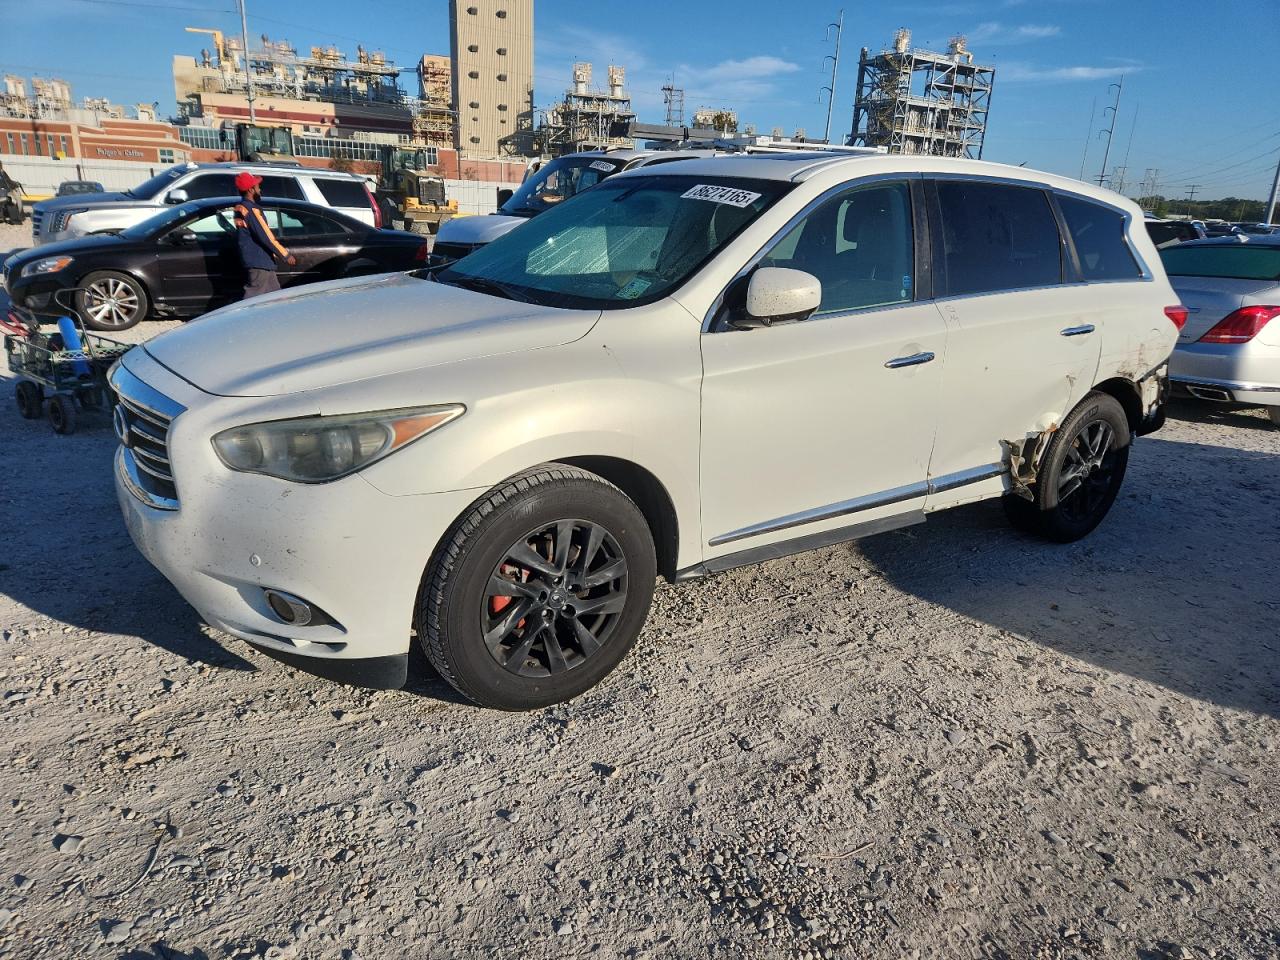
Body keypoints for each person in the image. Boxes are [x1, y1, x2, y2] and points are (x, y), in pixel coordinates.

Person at [233, 172, 296, 299]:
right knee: (252, 297)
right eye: (257, 187)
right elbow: (265, 236)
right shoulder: (252, 210)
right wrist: (285, 254)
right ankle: (244, 318)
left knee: (275, 296)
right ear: (251, 190)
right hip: (259, 261)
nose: (260, 189)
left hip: (260, 261)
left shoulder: (240, 208)